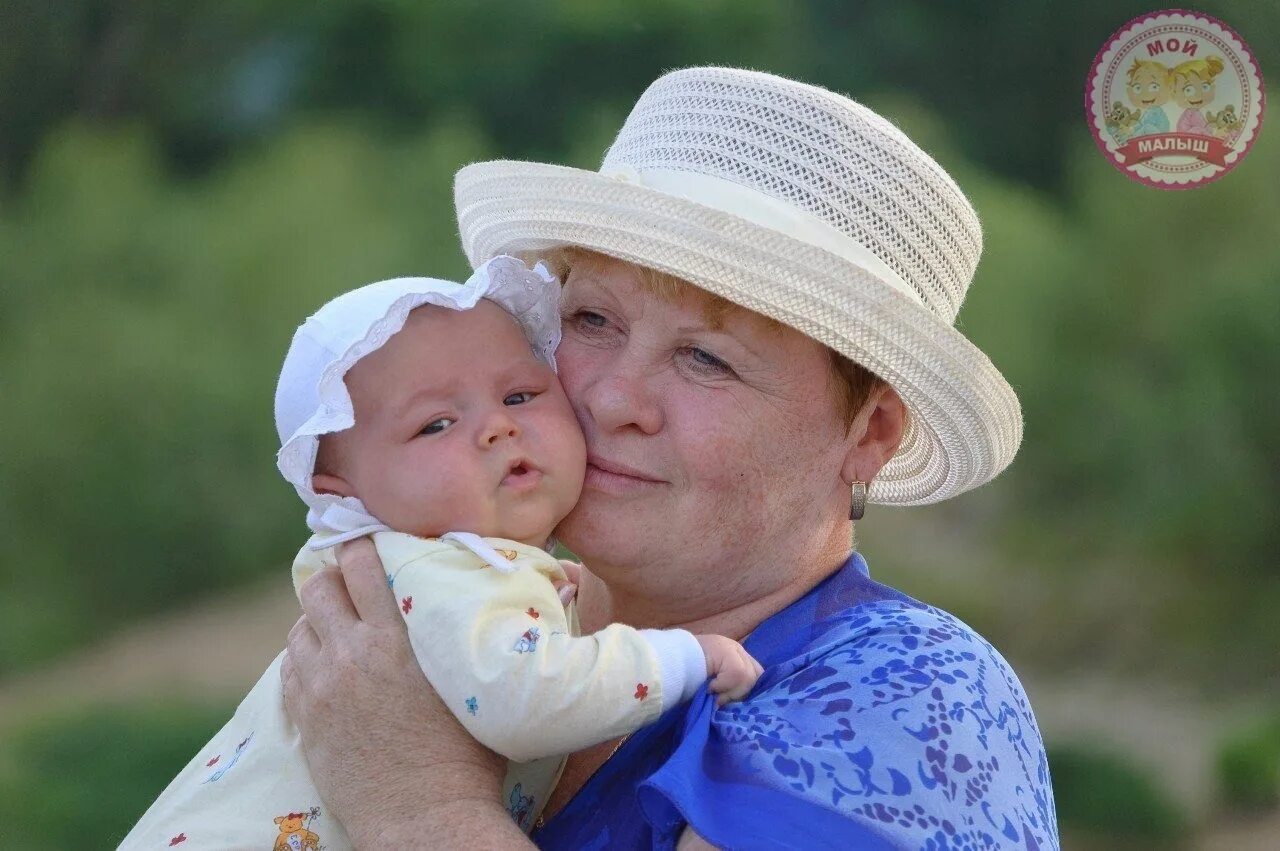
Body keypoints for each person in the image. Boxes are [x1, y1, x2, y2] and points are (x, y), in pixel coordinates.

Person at [281, 67, 1060, 849]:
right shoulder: (463, 608)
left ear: (870, 434)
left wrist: (420, 807)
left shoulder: (915, 697)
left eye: (706, 359)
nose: (615, 398)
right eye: (590, 318)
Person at [120, 256, 760, 849]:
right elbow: (522, 700)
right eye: (434, 425)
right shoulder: (433, 572)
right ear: (339, 487)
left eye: (519, 396)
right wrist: (681, 659)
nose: (497, 426)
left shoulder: (441, 572)